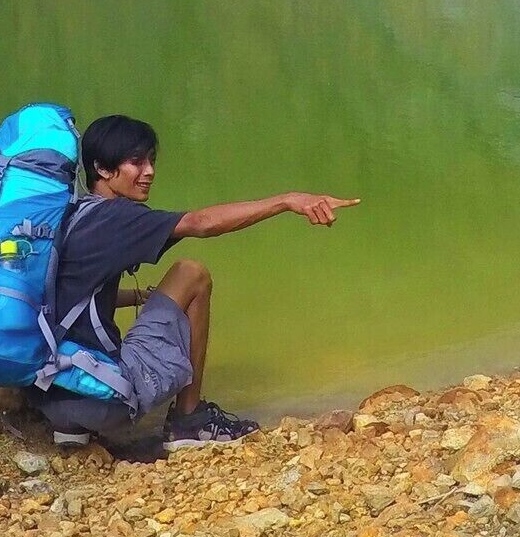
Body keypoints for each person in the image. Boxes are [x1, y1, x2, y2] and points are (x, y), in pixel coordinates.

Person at [39, 113, 356, 455]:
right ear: (102, 169)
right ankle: (189, 419)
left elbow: (75, 296)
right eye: (136, 162)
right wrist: (287, 200)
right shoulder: (117, 217)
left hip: (50, 391)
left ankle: (72, 433)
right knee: (191, 274)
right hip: (99, 402)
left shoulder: (68, 215)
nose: (149, 171)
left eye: (151, 161)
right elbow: (201, 223)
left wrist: (140, 297)